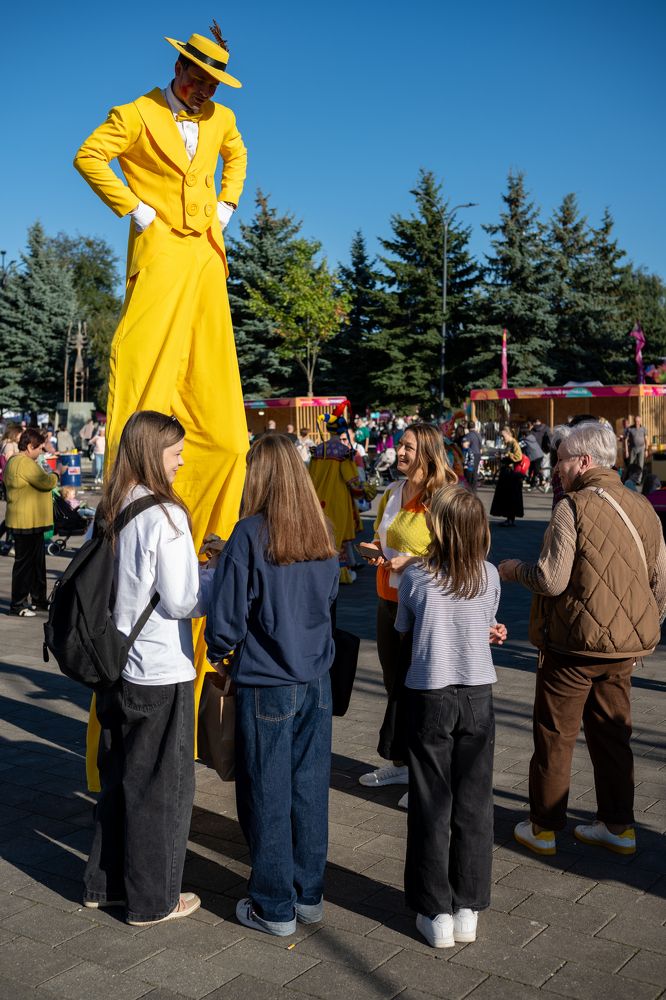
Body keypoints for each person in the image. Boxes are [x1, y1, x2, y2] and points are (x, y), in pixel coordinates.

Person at [73, 23, 248, 555]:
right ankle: (127, 499)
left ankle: (205, 541)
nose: (206, 94)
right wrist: (137, 209)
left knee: (218, 407)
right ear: (179, 70)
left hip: (206, 255)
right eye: (200, 82)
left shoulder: (223, 118)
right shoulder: (137, 113)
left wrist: (227, 204)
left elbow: (236, 156)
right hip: (161, 252)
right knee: (146, 363)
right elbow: (88, 155)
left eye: (214, 86)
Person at [499, 421, 666, 856]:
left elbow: (551, 581)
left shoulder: (570, 507)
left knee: (555, 735)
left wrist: (513, 569)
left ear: (585, 462)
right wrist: (639, 633)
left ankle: (544, 827)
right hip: (625, 651)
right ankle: (619, 825)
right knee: (613, 737)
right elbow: (660, 583)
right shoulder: (643, 506)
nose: (557, 470)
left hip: (572, 646)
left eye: (562, 462)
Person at [205, 434, 339, 937]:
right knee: (308, 789)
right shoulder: (322, 531)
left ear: (258, 476)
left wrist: (220, 653)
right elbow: (327, 602)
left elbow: (227, 621)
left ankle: (273, 904)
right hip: (315, 678)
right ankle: (308, 894)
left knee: (266, 791)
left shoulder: (249, 534)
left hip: (266, 681)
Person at [83, 410, 213, 925]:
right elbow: (183, 601)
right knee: (162, 785)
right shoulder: (166, 516)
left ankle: (104, 883)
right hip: (161, 666)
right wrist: (209, 574)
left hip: (115, 662)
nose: (182, 461)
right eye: (175, 451)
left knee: (119, 776)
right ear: (151, 452)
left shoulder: (112, 506)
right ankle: (154, 899)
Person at [397, 485, 506, 948]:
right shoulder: (489, 574)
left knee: (430, 803)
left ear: (436, 529)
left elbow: (406, 628)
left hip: (430, 692)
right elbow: (482, 622)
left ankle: (434, 909)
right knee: (475, 802)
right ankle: (468, 907)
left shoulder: (417, 577)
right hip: (478, 692)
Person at [358, 424, 457, 804]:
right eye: (400, 445)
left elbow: (459, 554)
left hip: (425, 608)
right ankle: (401, 762)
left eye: (409, 447)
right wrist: (375, 550)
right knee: (394, 685)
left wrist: (411, 560)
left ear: (428, 453)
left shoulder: (444, 498)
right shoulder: (392, 492)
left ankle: (425, 775)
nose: (399, 452)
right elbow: (382, 538)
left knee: (421, 691)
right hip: (388, 601)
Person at [3, 429, 58, 616]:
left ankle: (39, 600)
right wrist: (57, 474)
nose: (41, 452)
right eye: (40, 448)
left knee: (36, 563)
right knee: (25, 565)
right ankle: (18, 605)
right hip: (25, 521)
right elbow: (46, 482)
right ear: (29, 447)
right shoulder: (24, 463)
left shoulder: (15, 462)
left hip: (31, 521)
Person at [309, 413, 361, 583]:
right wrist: (364, 491)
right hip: (338, 498)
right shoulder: (344, 452)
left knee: (321, 534)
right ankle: (341, 574)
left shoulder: (318, 450)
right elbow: (351, 480)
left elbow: (311, 476)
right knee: (336, 536)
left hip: (318, 498)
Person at [490, 427, 524, 525]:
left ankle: (511, 519)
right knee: (506, 496)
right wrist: (501, 456)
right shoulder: (509, 443)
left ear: (509, 435)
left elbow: (518, 457)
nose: (502, 438)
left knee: (511, 496)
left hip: (511, 474)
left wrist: (507, 454)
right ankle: (508, 519)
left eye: (503, 436)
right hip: (506, 473)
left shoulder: (514, 443)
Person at [462, 421, 482, 490]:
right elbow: (480, 446)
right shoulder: (478, 434)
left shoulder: (468, 435)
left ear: (468, 427)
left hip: (471, 455)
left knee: (470, 472)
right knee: (475, 471)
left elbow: (464, 445)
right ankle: (474, 488)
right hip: (478, 454)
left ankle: (470, 488)